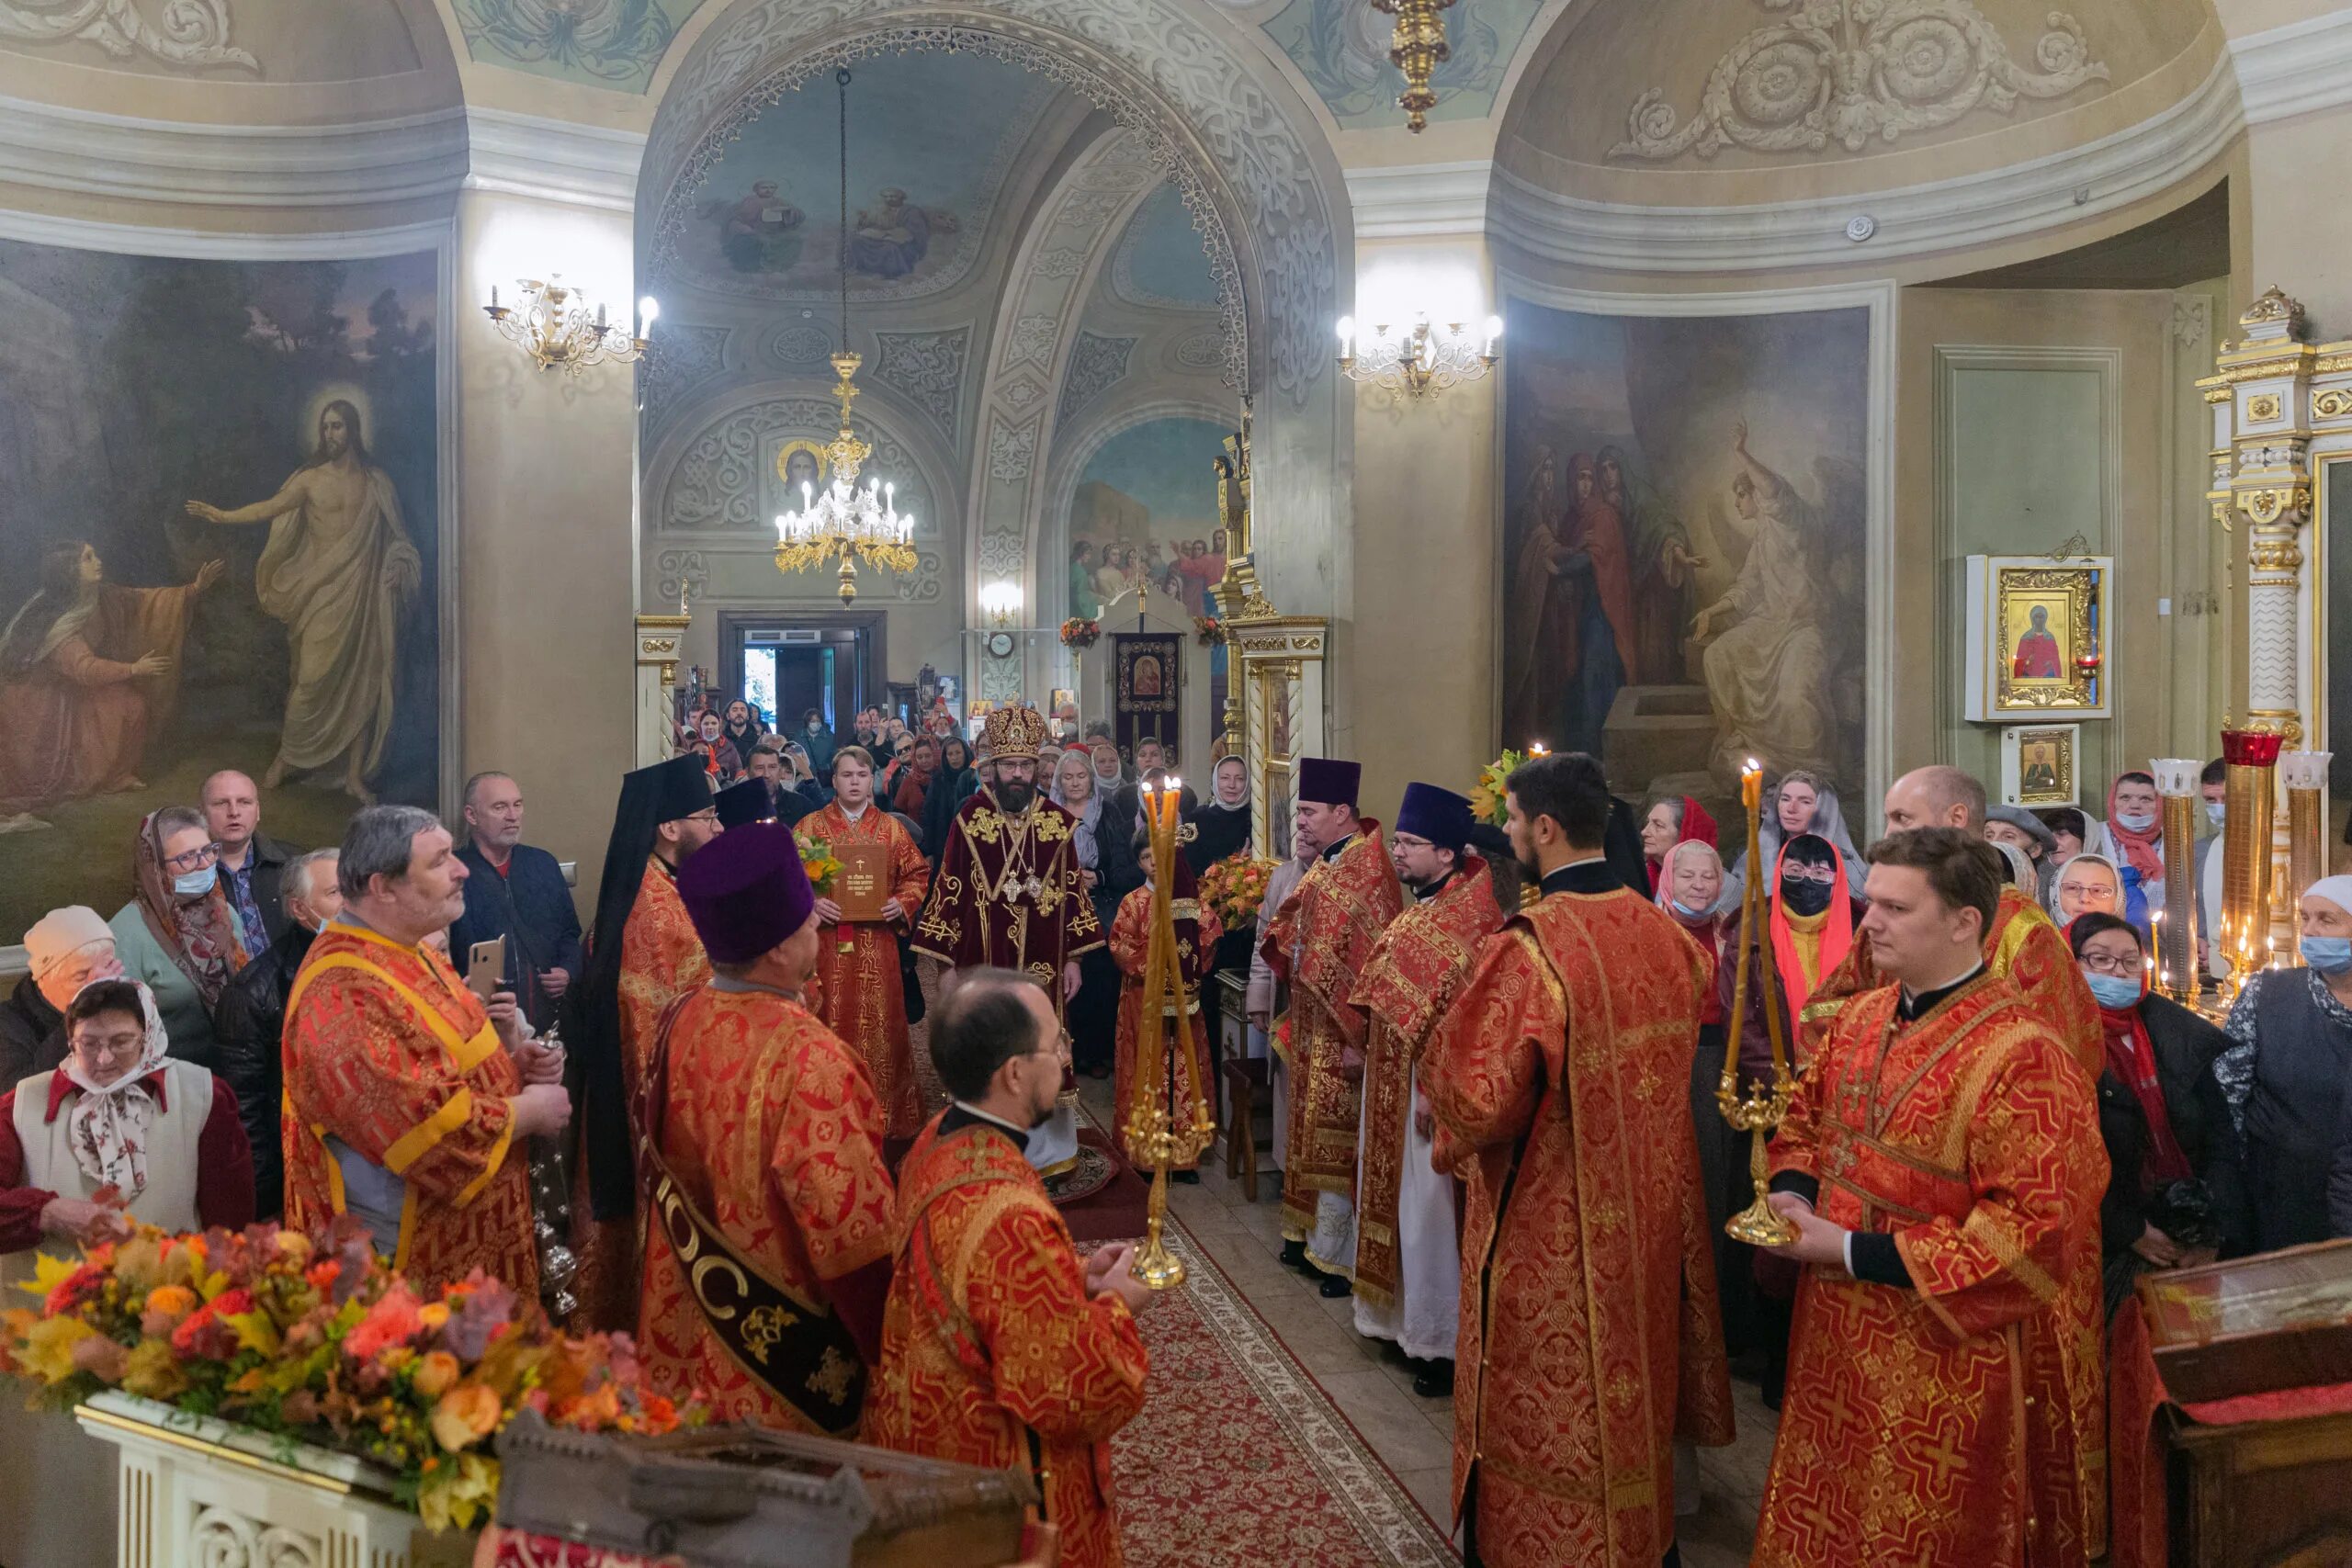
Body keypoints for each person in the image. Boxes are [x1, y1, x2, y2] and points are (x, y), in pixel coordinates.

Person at [1751, 828, 2105, 1568]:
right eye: (1869, 900)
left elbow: (2035, 1234)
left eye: (1894, 906)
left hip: (1944, 1364)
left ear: (1963, 921)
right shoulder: (1858, 1016)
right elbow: (1805, 1124)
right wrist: (1790, 1193)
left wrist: (1847, 1248)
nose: (1868, 920)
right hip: (1832, 1347)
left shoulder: (2024, 1053)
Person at [1421, 751, 1734, 1565]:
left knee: (1548, 1414)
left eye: (1516, 823)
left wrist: (1443, 1120)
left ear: (1546, 828)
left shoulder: (1530, 949)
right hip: (1651, 1224)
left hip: (1549, 1229)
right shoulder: (1668, 934)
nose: (1512, 836)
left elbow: (1476, 1098)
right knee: (1633, 1397)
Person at [866, 972, 1154, 1568]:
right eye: (1056, 1045)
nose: (1067, 1056)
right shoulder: (1010, 1212)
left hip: (931, 1441)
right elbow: (1070, 1390)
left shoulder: (935, 1143)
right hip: (1001, 1486)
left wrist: (1073, 1274)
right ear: (1015, 1073)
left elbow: (975, 1276)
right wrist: (1118, 1302)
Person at [635, 822, 898, 1433]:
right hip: (781, 1365)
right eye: (808, 919)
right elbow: (852, 1239)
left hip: (684, 1321)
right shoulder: (813, 1060)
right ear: (778, 949)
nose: (816, 928)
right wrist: (895, 1345)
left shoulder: (683, 1015)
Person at [283, 807, 569, 1291]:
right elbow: (423, 1129)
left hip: (470, 1228)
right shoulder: (345, 990)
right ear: (382, 887)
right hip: (406, 1253)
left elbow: (443, 1056)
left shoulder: (401, 949)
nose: (461, 869)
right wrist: (528, 1113)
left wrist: (514, 1066)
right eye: (439, 862)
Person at [184, 400, 420, 803]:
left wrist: (398, 567)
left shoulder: (377, 482)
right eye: (326, 427)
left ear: (353, 431)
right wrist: (223, 516)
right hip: (321, 593)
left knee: (361, 682)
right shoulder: (310, 481)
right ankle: (289, 756)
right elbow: (268, 508)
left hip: (362, 595)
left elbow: (400, 539)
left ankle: (352, 775)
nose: (330, 435)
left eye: (338, 427)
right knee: (309, 681)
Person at [1350, 784, 1498, 1396]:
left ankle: (1437, 1343)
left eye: (1410, 844)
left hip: (1427, 1092)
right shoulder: (1422, 909)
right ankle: (1392, 1320)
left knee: (1430, 1214)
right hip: (1389, 1075)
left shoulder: (1474, 920)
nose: (1399, 853)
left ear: (1446, 852)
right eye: (1401, 841)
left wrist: (1431, 1091)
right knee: (1395, 1205)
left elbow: (1470, 1019)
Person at [566, 756, 719, 1328]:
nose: (717, 828)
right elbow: (648, 1020)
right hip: (653, 1106)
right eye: (707, 816)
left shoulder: (663, 884)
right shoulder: (650, 910)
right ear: (670, 827)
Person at [1261, 758, 1403, 1297]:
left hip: (1343, 1032)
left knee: (1337, 1143)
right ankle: (1305, 1233)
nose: (1299, 821)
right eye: (1298, 810)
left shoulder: (1370, 869)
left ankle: (1336, 1253)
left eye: (1308, 811)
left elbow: (1374, 962)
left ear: (1342, 812)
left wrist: (1359, 1038)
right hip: (1313, 1022)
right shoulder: (1330, 859)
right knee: (1308, 1132)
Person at [0, 979, 252, 1278]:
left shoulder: (202, 1095)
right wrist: (47, 1213)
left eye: (121, 1042)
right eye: (89, 1043)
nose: (103, 1059)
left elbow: (230, 1223)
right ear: (70, 1039)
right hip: (52, 1311)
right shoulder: (22, 1104)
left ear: (147, 1037)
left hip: (170, 1304)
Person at [2071, 912, 2229, 1312]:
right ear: (2068, 964)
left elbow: (2222, 1140)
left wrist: (2210, 1234)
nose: (2118, 972)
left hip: (2191, 1231)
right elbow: (2064, 1164)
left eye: (2129, 960)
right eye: (2100, 959)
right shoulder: (2058, 1041)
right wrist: (2131, 1231)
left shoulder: (2177, 1033)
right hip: (2107, 1248)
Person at [0, 542, 222, 816]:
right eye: (87, 558)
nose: (98, 561)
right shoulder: (58, 623)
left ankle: (118, 776)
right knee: (121, 710)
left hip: (74, 691)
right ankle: (98, 776)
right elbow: (85, 669)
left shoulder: (99, 596)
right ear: (70, 571)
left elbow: (142, 602)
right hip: (42, 707)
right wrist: (134, 669)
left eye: (94, 555)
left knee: (131, 705)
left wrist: (193, 589)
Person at [913, 705, 1103, 1013]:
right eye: (1009, 765)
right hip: (980, 959)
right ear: (995, 766)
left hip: (1045, 959)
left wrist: (1074, 959)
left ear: (1036, 767)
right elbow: (949, 891)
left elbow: (1074, 894)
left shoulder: (1057, 822)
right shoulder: (970, 818)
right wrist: (944, 967)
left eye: (1026, 766)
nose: (1017, 773)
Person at [2214, 875, 2352, 1254]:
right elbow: (2227, 1096)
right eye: (2305, 918)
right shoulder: (2268, 993)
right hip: (2278, 1194)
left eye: (2327, 920)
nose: (2310, 931)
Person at [803, 746, 931, 1143]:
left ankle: (888, 1116)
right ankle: (828, 1111)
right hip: (827, 944)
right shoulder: (810, 829)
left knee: (883, 1024)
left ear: (871, 779)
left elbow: (917, 874)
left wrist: (903, 902)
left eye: (861, 774)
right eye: (846, 775)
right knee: (829, 1021)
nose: (854, 781)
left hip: (879, 945)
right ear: (834, 780)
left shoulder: (893, 829)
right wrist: (811, 902)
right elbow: (788, 878)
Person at [212, 848, 339, 1219]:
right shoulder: (253, 993)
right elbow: (245, 1111)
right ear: (300, 910)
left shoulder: (376, 964)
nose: (351, 902)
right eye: (335, 893)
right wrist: (271, 1203)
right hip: (296, 1179)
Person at [1107, 824, 1221, 1175]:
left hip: (1185, 1006)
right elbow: (1120, 947)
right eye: (1146, 857)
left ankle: (1184, 1156)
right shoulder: (1133, 903)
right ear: (1139, 863)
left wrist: (1184, 962)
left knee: (1184, 1073)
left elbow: (1211, 933)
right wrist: (1159, 957)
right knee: (1147, 1073)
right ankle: (1146, 1154)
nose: (1154, 863)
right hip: (1143, 1003)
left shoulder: (1191, 900)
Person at [449, 772, 584, 1038]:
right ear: (471, 815)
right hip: (480, 1024)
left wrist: (568, 970)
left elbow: (569, 932)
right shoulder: (453, 872)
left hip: (546, 1023)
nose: (513, 816)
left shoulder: (543, 865)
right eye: (500, 807)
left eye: (517, 805)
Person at [110, 807, 247, 1064]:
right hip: (169, 1080)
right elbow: (120, 1033)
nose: (204, 864)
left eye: (208, 851)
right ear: (155, 867)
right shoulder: (126, 934)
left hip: (236, 1067)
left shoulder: (222, 913)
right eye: (187, 857)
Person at [1055, 747, 1126, 1082]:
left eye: (1081, 776)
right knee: (1062, 980)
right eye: (1068, 777)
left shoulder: (1108, 813)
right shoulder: (1048, 813)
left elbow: (1127, 865)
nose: (1075, 783)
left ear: (1091, 778)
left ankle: (1097, 1052)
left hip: (1101, 907)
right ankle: (1065, 1050)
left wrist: (1098, 877)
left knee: (1098, 980)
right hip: (1056, 907)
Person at [3, 907, 120, 1089]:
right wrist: (81, 1015)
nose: (97, 986)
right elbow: (17, 1098)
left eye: (108, 967)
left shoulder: (123, 1005)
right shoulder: (7, 1025)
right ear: (43, 979)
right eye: (81, 976)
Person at [1719, 768, 1867, 908]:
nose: (1791, 808)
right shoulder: (1753, 859)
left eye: (1805, 801)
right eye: (1785, 799)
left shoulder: (1847, 867)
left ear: (1824, 809)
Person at [201, 769, 295, 954]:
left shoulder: (294, 863)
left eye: (244, 802)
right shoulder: (186, 874)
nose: (234, 812)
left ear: (258, 811)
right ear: (202, 814)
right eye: (221, 803)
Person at [1107, 736, 1196, 827]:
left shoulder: (1184, 793)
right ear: (1137, 761)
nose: (1148, 759)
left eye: (1154, 754)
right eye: (1142, 755)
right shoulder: (1123, 795)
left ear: (1163, 759)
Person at [1639, 793, 1718, 895]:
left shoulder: (1716, 886)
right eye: (1648, 823)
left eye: (1658, 825)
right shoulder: (1641, 876)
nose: (1644, 832)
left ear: (1683, 833)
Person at [1985, 801, 2061, 905]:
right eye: (1989, 835)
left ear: (2035, 849)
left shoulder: (2050, 893)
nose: (1995, 842)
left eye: (2008, 837)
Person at [920, 734, 977, 859]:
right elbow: (929, 815)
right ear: (945, 757)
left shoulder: (974, 778)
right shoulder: (938, 780)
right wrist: (928, 851)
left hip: (971, 843)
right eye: (950, 754)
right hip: (943, 845)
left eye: (958, 753)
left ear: (965, 753)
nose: (954, 758)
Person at [2052, 850, 2133, 934]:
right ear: (2055, 896)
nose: (2084, 898)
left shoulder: (2132, 947)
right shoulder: (2039, 945)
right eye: (2073, 888)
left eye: (2098, 890)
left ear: (2118, 900)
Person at [890, 735, 938, 821]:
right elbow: (898, 813)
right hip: (915, 832)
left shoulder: (944, 778)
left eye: (928, 756)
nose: (924, 760)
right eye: (919, 757)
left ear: (935, 754)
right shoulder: (909, 781)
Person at [2013, 602, 2064, 678]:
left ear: (2045, 619)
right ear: (2032, 619)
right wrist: (2027, 660)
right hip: (2028, 674)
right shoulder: (2026, 637)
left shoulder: (2049, 637)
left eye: (2042, 617)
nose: (2039, 619)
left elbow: (2056, 660)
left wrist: (2050, 663)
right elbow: (2019, 661)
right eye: (2037, 617)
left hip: (2047, 674)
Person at [720, 698, 764, 766]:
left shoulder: (758, 741)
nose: (739, 713)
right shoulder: (721, 740)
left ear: (748, 716)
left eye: (743, 710)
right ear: (728, 716)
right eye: (735, 710)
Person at [797, 707, 838, 774]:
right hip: (804, 774)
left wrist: (827, 767)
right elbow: (796, 756)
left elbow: (834, 755)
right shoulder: (799, 737)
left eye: (818, 721)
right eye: (813, 721)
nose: (816, 723)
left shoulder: (829, 736)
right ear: (807, 723)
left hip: (824, 775)